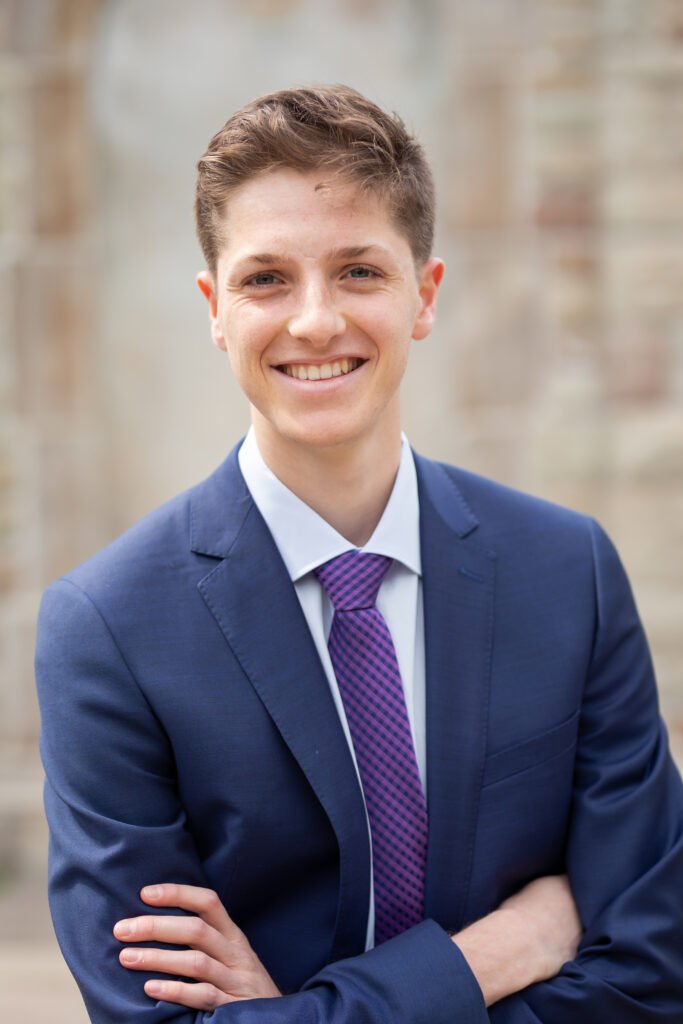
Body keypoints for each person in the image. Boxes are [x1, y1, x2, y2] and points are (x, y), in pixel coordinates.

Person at [35, 85, 683, 1024]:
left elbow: (649, 976)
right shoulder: (107, 629)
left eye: (358, 272)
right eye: (265, 280)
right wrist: (497, 955)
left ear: (423, 295)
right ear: (216, 309)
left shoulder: (567, 573)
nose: (313, 322)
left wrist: (294, 1012)